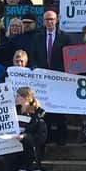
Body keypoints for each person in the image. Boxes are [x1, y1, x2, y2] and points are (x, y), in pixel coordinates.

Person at [30, 10, 71, 146]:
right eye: (47, 19)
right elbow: (33, 56)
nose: (50, 22)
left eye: (52, 19)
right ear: (43, 21)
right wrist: (37, 69)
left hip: (59, 79)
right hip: (43, 81)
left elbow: (69, 58)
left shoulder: (65, 37)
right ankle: (46, 137)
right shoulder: (37, 37)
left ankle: (62, 136)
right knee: (44, 109)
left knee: (60, 110)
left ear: (57, 20)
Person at [8, 87, 47, 171]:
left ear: (26, 98)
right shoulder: (14, 111)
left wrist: (25, 137)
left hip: (28, 154)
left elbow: (41, 136)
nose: (16, 98)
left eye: (18, 96)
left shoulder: (38, 115)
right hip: (14, 154)